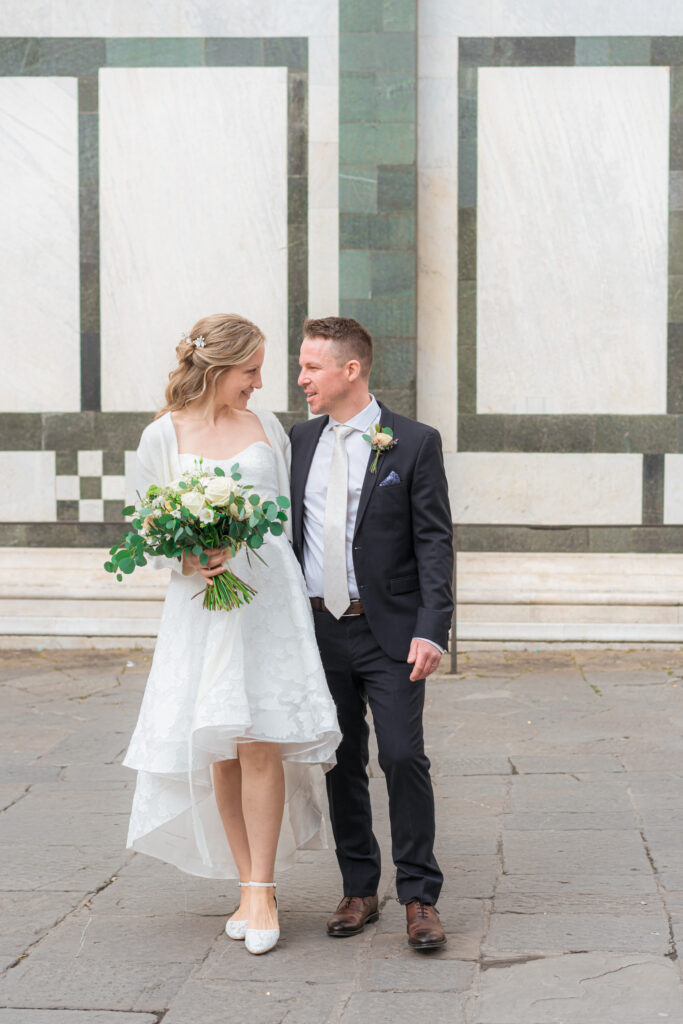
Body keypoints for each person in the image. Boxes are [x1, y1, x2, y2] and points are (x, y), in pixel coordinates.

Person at [123, 313, 341, 956]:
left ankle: (263, 888)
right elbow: (144, 529)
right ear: (218, 369)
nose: (259, 383)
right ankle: (249, 885)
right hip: (203, 607)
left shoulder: (267, 428)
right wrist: (189, 556)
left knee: (260, 742)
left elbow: (289, 522)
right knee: (221, 746)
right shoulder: (162, 435)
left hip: (268, 601)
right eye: (251, 371)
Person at [290, 316, 454, 950]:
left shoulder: (413, 442)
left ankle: (419, 895)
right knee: (340, 760)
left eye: (312, 367)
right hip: (318, 630)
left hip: (391, 632)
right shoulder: (298, 441)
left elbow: (435, 541)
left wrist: (432, 629)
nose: (301, 378)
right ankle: (359, 888)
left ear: (350, 369)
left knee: (403, 755)